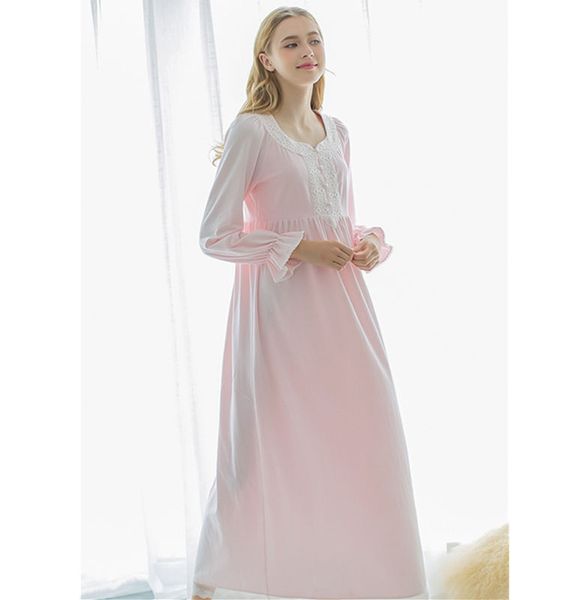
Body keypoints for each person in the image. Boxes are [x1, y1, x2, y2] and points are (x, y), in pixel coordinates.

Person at [192, 6, 428, 600]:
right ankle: (210, 581)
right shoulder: (251, 131)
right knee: (259, 448)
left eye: (314, 40)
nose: (307, 51)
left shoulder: (338, 131)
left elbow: (339, 221)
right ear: (267, 58)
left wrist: (368, 243)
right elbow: (215, 236)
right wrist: (298, 248)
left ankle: (367, 581)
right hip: (279, 316)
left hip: (345, 310)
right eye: (291, 42)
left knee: (363, 437)